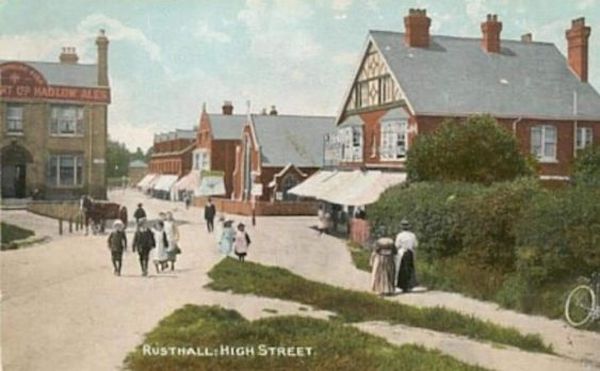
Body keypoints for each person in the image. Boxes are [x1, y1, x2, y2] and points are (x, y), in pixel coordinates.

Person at [395, 219, 418, 292]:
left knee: (402, 269)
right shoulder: (412, 235)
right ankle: (409, 285)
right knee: (410, 269)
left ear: (401, 227)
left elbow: (397, 245)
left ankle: (403, 286)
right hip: (410, 253)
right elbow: (415, 245)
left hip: (402, 253)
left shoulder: (400, 235)